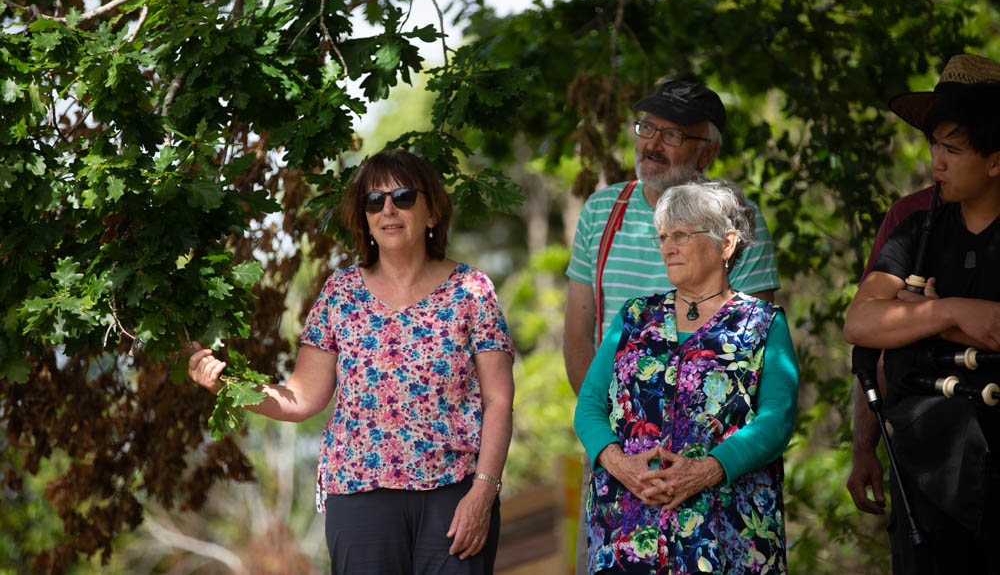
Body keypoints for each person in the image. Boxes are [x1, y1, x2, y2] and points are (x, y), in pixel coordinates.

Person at [188, 149, 516, 574]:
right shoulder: (339, 293)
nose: (388, 210)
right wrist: (228, 387)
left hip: (455, 495)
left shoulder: (471, 289)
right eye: (374, 201)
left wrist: (483, 492)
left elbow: (498, 400)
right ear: (365, 218)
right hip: (360, 497)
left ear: (432, 212)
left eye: (403, 197)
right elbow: (302, 398)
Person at [564, 79, 782, 572]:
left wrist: (705, 465)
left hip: (720, 473)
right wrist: (616, 444)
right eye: (646, 128)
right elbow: (577, 335)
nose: (652, 144)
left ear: (708, 150)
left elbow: (751, 359)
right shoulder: (602, 212)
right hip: (621, 463)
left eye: (673, 134)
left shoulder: (740, 222)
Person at [843, 76, 1000, 573]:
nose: (937, 162)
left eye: (953, 149)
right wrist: (949, 313)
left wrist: (919, 318)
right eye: (934, 145)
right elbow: (861, 322)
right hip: (925, 474)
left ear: (995, 160)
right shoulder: (915, 228)